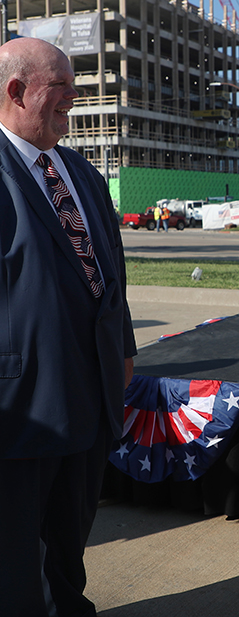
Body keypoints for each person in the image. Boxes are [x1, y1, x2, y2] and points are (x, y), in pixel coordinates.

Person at [0, 37, 137, 616]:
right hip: (20, 403)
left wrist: (124, 348)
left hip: (90, 392)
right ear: (15, 90)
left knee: (70, 541)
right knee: (16, 559)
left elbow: (112, 267)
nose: (73, 99)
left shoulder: (79, 170)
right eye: (60, 86)